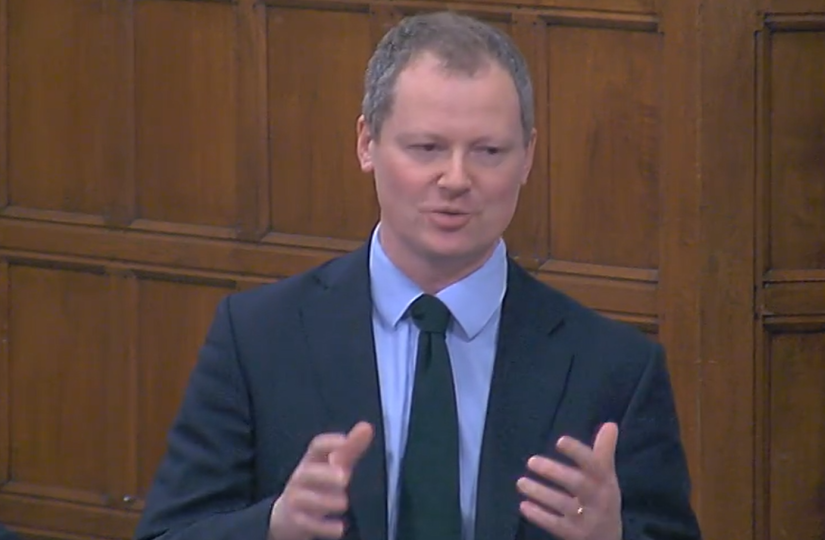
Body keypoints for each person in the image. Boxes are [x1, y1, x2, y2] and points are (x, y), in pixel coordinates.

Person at [134, 10, 701, 540]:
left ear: (527, 158)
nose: (455, 178)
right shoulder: (257, 337)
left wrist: (615, 537)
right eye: (427, 147)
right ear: (367, 144)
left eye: (488, 151)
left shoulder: (616, 369)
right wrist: (276, 524)